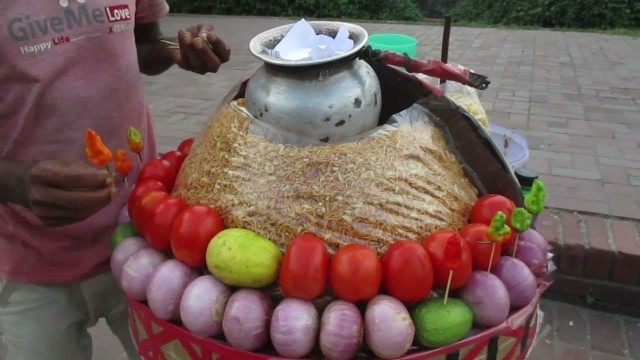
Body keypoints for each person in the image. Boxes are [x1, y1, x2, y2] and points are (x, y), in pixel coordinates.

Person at [0, 0, 230, 359]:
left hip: (144, 236)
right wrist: (14, 183)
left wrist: (177, 50)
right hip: (32, 260)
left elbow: (143, 43)